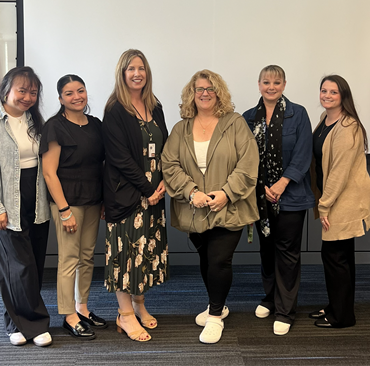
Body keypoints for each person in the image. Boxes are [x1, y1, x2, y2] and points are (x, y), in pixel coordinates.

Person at [162, 69, 259, 344]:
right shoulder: (181, 128)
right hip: (194, 209)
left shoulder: (235, 123)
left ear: (219, 93)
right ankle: (219, 303)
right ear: (191, 94)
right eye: (199, 89)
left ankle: (215, 316)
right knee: (205, 258)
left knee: (219, 259)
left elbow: (248, 163)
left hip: (230, 207)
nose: (205, 94)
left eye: (210, 89)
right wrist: (191, 192)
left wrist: (227, 193)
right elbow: (169, 164)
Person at [0, 66, 52, 347]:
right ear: (6, 89)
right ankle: (35, 324)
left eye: (33, 91)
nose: (28, 96)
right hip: (6, 200)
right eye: (22, 90)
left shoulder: (35, 120)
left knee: (33, 264)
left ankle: (14, 321)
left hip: (37, 197)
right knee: (19, 267)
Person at [243, 64, 314, 336]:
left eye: (276, 82)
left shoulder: (299, 114)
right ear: (259, 84)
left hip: (291, 196)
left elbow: (303, 153)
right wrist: (263, 186)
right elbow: (245, 159)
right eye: (266, 82)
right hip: (260, 197)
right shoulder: (249, 118)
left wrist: (282, 183)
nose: (271, 87)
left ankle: (285, 310)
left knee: (287, 253)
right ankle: (270, 298)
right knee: (266, 249)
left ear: (284, 85)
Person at [103, 49, 169, 342]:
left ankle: (140, 305)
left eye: (141, 68)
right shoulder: (116, 109)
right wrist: (148, 189)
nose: (137, 73)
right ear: (122, 73)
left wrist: (164, 181)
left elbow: (167, 148)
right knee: (125, 256)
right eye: (131, 69)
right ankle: (125, 314)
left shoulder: (155, 106)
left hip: (155, 194)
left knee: (144, 254)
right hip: (128, 196)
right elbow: (119, 158)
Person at [41, 75, 107, 340]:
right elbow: (49, 172)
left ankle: (82, 308)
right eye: (69, 93)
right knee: (69, 259)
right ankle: (68, 315)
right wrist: (64, 210)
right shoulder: (55, 127)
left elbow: (101, 165)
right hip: (68, 202)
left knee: (87, 256)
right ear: (60, 99)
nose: (76, 96)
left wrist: (103, 200)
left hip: (93, 199)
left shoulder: (96, 125)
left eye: (80, 91)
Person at [309, 75, 370, 328]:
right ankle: (337, 306)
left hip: (345, 200)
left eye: (333, 92)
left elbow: (339, 171)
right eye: (323, 90)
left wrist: (324, 205)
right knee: (340, 257)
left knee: (336, 257)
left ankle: (342, 317)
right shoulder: (326, 120)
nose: (326, 95)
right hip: (333, 198)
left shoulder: (348, 126)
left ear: (343, 96)